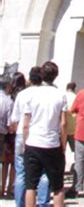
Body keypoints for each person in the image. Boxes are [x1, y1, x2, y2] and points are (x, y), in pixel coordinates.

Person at [23, 61, 67, 207]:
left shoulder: (32, 94)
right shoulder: (60, 95)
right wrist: (63, 144)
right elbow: (63, 123)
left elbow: (26, 123)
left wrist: (25, 142)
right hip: (52, 142)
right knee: (57, 186)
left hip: (33, 141)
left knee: (31, 185)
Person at [10, 67, 50, 207]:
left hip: (22, 133)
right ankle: (42, 202)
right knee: (44, 170)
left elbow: (14, 118)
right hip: (40, 135)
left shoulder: (23, 94)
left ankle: (20, 203)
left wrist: (17, 132)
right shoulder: (47, 95)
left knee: (21, 172)